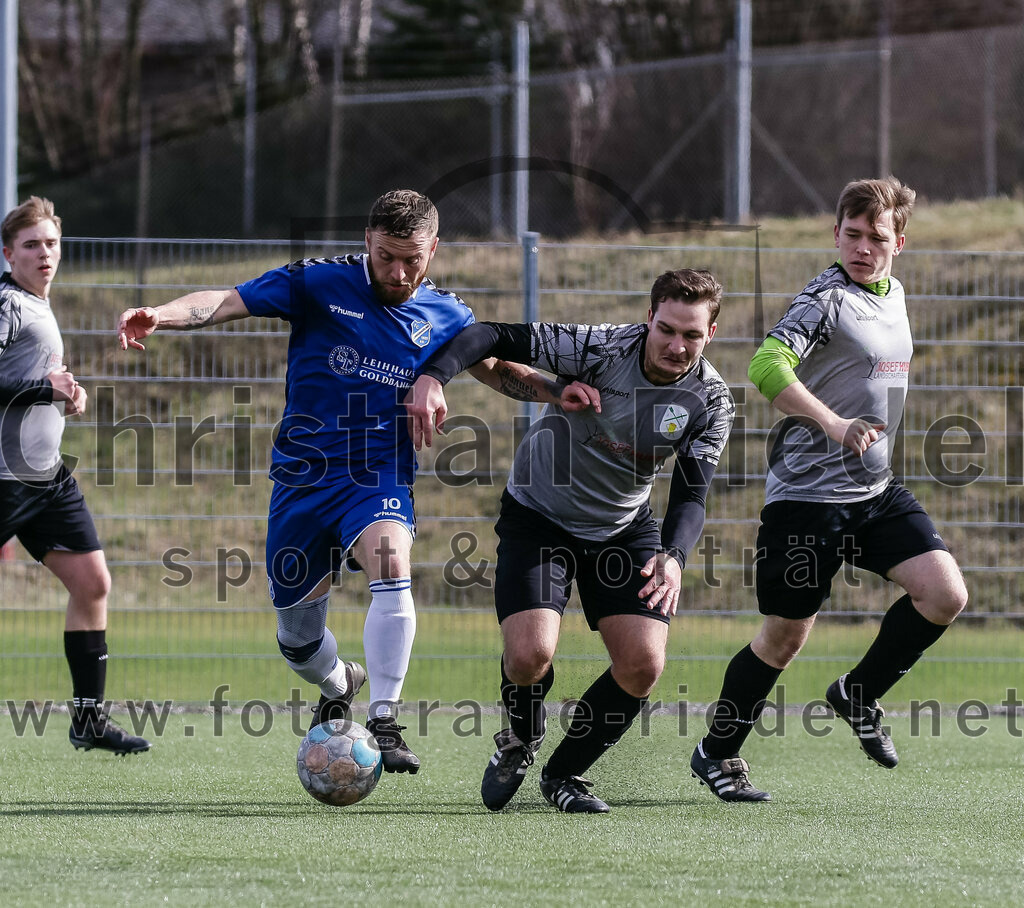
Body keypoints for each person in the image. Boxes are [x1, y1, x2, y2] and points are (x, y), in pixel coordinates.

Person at [116, 190, 571, 773]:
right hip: (301, 482)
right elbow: (224, 302)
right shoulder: (317, 282)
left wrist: (560, 391)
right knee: (298, 641)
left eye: (413, 259)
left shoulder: (444, 315)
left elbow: (502, 370)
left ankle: (384, 719)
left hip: (376, 475)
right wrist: (161, 314)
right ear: (366, 241)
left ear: (434, 249)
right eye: (386, 257)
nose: (399, 272)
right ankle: (340, 683)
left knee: (391, 562)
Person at [405, 268, 734, 813]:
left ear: (710, 335)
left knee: (643, 665)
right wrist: (435, 376)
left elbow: (691, 495)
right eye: (668, 329)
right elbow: (488, 335)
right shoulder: (601, 348)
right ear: (649, 318)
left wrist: (673, 557)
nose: (678, 346)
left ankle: (565, 775)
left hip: (622, 529)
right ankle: (520, 737)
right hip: (540, 514)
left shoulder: (710, 401)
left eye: (692, 335)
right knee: (530, 656)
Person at [691, 176, 968, 802]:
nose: (862, 247)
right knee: (784, 639)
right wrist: (834, 423)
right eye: (851, 234)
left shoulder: (893, 293)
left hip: (874, 492)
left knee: (944, 593)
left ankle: (859, 693)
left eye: (876, 237)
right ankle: (717, 752)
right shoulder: (824, 300)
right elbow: (765, 365)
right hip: (806, 499)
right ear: (834, 233)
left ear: (900, 240)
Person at [0, 197, 151, 756]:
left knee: (93, 585)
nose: (44, 254)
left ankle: (88, 720)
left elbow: (29, 383)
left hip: (45, 480)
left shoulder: (39, 304)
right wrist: (47, 390)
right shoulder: (8, 304)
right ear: (9, 252)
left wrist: (65, 394)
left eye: (51, 243)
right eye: (32, 244)